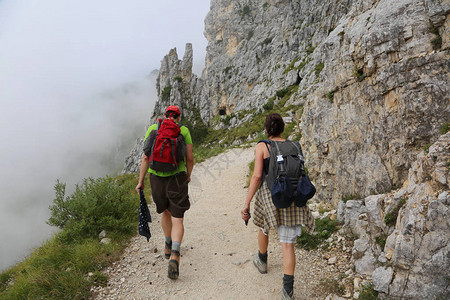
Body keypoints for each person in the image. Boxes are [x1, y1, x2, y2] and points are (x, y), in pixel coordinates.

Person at [241, 113, 315, 300]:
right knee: (287, 245)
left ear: (267, 130)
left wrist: (247, 203)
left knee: (263, 226)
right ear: (282, 128)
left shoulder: (262, 146)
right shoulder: (294, 145)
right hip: (293, 193)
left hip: (270, 195)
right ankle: (287, 292)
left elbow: (257, 176)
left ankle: (262, 260)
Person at [136, 105, 194, 280]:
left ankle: (167, 245)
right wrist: (188, 176)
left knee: (165, 212)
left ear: (164, 115)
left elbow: (146, 157)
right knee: (178, 218)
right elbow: (189, 159)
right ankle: (175, 254)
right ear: (178, 117)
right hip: (178, 177)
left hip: (156, 179)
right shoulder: (183, 131)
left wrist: (140, 182)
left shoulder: (154, 128)